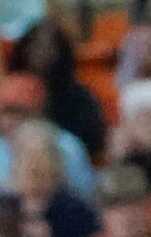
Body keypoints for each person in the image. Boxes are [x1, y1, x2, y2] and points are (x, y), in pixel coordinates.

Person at [8, 17, 108, 162]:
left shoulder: (80, 101)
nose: (41, 55)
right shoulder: (12, 97)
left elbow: (93, 144)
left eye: (48, 48)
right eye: (35, 47)